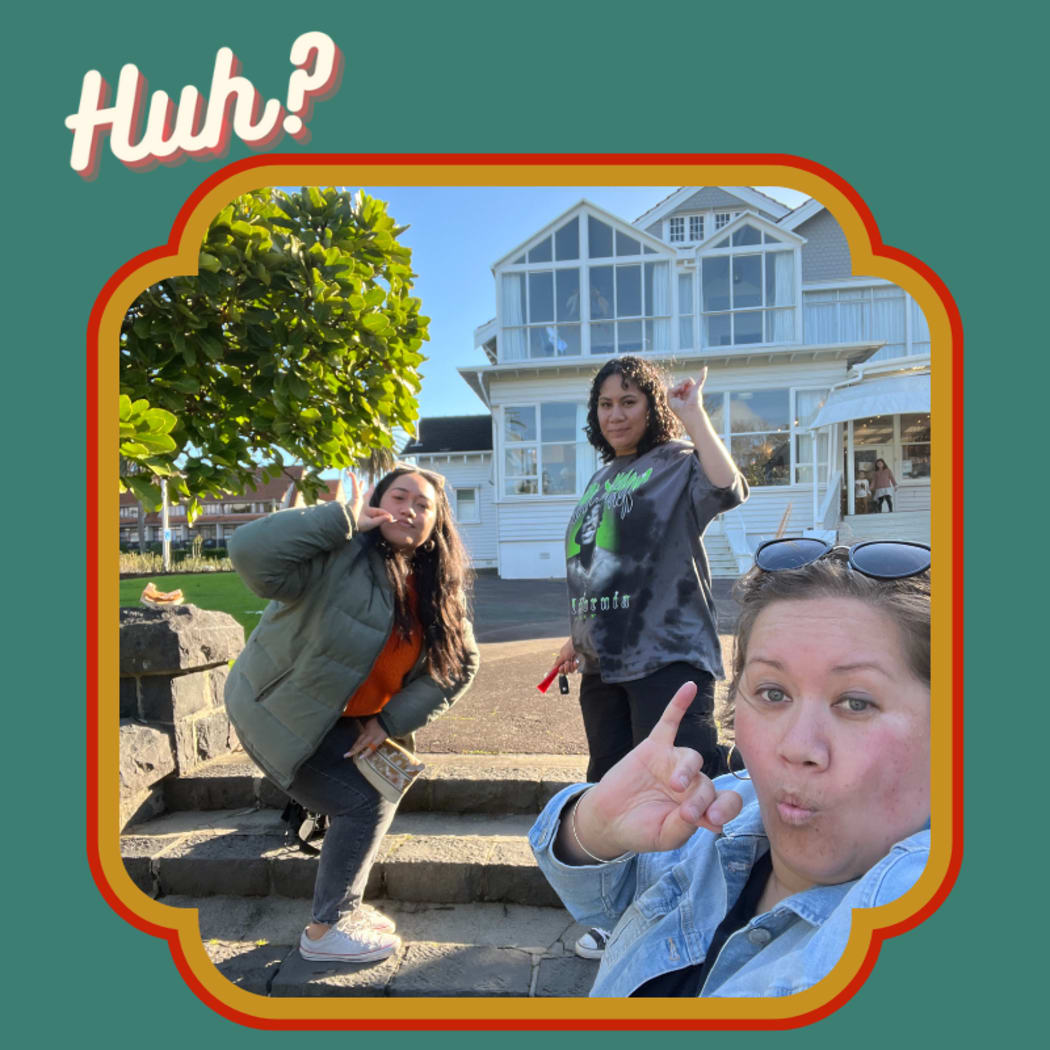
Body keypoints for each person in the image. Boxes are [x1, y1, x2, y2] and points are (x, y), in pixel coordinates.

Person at [531, 538, 931, 997]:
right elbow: (603, 896)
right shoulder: (722, 815)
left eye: (856, 702)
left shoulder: (908, 892)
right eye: (773, 693)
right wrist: (596, 827)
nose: (797, 746)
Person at [224, 466, 479, 964]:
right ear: (377, 504)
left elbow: (460, 664)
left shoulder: (434, 588)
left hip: (341, 719)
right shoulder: (338, 553)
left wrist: (386, 723)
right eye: (398, 496)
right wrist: (341, 518)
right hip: (274, 708)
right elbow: (248, 552)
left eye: (422, 505)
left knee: (384, 782)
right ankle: (327, 928)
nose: (409, 508)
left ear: (436, 523)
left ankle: (343, 908)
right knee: (363, 800)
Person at [553, 355, 748, 958]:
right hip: (603, 663)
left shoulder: (676, 463)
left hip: (668, 654)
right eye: (606, 404)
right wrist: (576, 634)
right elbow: (599, 566)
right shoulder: (600, 479)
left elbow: (728, 486)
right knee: (611, 791)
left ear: (650, 407)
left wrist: (694, 416)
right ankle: (619, 918)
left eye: (629, 401)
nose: (615, 414)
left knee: (682, 787)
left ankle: (703, 918)